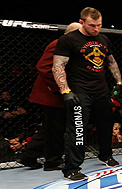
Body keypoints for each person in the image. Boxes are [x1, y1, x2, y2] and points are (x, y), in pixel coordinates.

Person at [52, 7, 122, 181]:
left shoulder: (103, 39)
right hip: (79, 91)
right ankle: (72, 168)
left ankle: (105, 155)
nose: (96, 29)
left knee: (106, 125)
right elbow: (58, 66)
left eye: (99, 25)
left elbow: (111, 62)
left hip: (101, 90)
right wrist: (65, 91)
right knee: (77, 129)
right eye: (92, 25)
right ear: (82, 22)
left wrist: (119, 82)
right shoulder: (68, 40)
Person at [26, 22, 83, 171]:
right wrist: (61, 88)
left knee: (52, 127)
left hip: (59, 92)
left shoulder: (71, 45)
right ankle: (52, 160)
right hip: (52, 93)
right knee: (54, 127)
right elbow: (43, 67)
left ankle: (29, 154)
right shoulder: (58, 44)